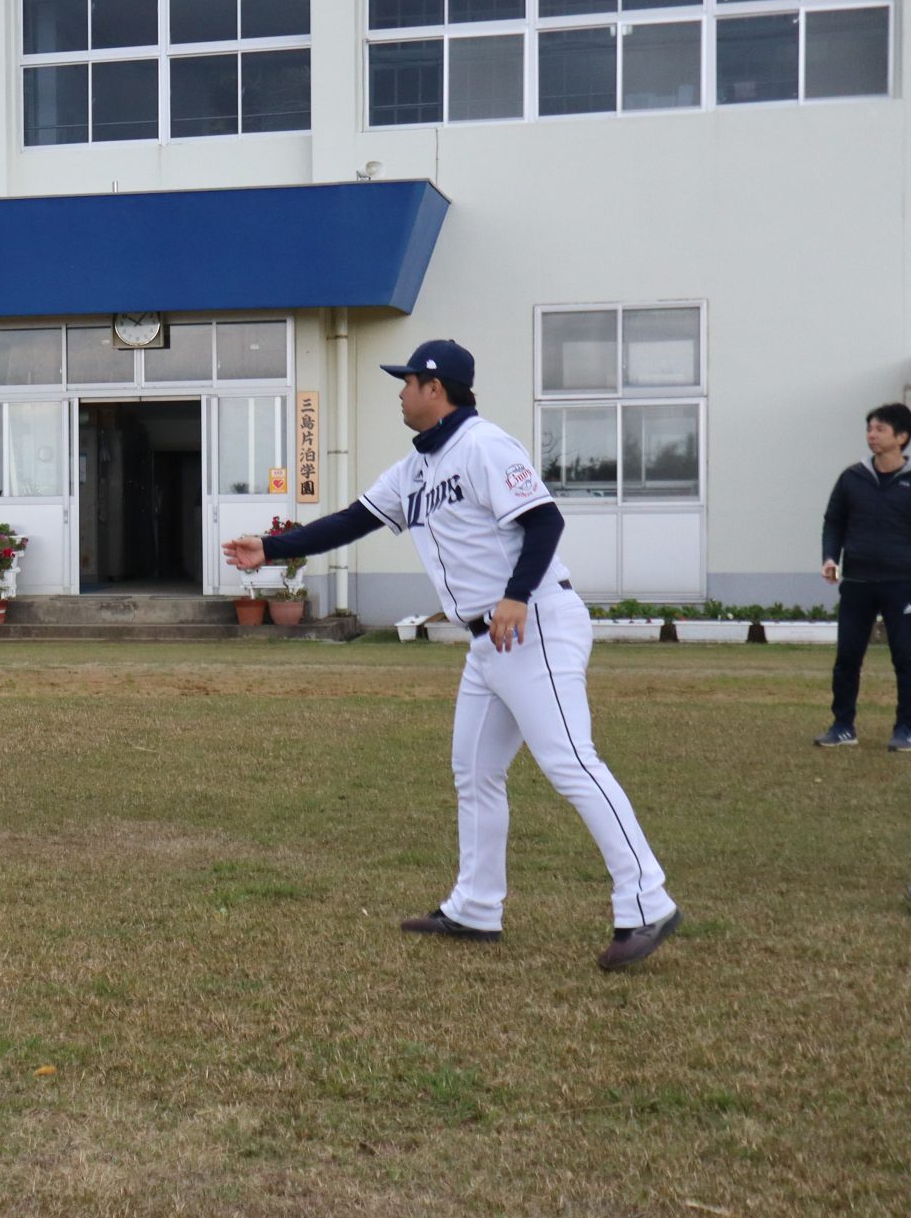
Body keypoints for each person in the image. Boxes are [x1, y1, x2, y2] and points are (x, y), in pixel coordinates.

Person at [223, 339, 682, 971]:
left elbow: (545, 521)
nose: (400, 392)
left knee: (571, 761)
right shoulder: (415, 468)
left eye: (407, 381)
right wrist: (272, 548)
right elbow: (353, 520)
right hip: (487, 641)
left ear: (434, 387)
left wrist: (517, 595)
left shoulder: (485, 446)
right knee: (475, 771)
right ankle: (476, 907)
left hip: (534, 624)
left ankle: (648, 900)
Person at [816, 402, 911, 753]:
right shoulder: (852, 478)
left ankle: (905, 730)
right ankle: (843, 726)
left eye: (880, 429)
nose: (871, 435)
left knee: (906, 659)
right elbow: (833, 522)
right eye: (869, 429)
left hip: (901, 585)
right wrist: (830, 557)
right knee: (847, 659)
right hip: (857, 584)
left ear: (901, 437)